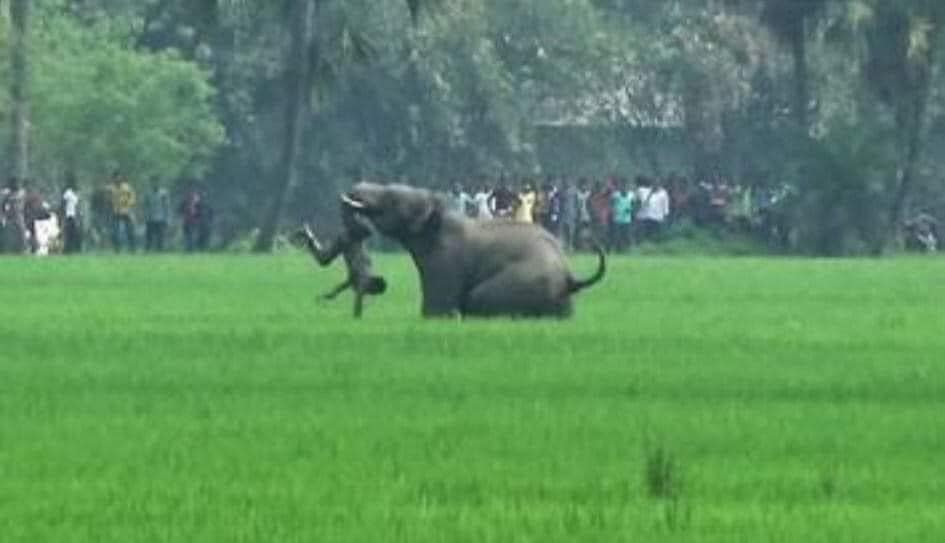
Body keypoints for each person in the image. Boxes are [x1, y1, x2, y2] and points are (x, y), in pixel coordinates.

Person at [290, 205, 387, 318]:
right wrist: (357, 319)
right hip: (348, 240)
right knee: (323, 260)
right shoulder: (364, 279)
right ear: (372, 285)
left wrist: (333, 294)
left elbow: (348, 282)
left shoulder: (364, 274)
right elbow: (358, 301)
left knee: (324, 260)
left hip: (350, 240)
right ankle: (308, 233)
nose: (369, 294)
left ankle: (307, 234)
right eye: (373, 292)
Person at [636, 175, 670, 242]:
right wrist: (650, 193)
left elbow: (665, 207)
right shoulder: (642, 191)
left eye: (657, 182)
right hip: (644, 218)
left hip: (657, 218)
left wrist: (665, 217)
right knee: (644, 237)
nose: (656, 184)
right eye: (654, 182)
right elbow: (642, 204)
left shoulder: (663, 193)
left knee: (655, 238)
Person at [110, 172, 136, 252]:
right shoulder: (111, 188)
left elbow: (132, 197)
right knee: (115, 231)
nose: (118, 179)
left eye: (119, 177)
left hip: (126, 211)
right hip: (116, 212)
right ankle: (117, 249)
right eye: (116, 178)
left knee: (130, 230)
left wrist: (128, 203)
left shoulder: (127, 187)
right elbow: (109, 199)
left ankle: (132, 248)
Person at [143, 179, 171, 252]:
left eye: (156, 182)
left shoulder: (163, 193)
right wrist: (145, 216)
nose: (155, 184)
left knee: (161, 236)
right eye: (153, 182)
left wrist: (167, 218)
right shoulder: (148, 193)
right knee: (149, 236)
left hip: (161, 218)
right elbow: (145, 205)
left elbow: (167, 206)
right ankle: (147, 250)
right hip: (150, 218)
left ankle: (160, 250)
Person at [610, 179, 635, 252]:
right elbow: (611, 204)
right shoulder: (615, 195)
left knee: (627, 235)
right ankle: (615, 249)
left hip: (627, 219)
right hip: (617, 219)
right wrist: (613, 211)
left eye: (625, 186)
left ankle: (628, 249)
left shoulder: (631, 195)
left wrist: (631, 209)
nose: (624, 188)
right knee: (616, 236)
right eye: (622, 186)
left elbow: (634, 205)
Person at [61, 178, 82, 254]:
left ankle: (73, 249)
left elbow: (77, 206)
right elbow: (63, 203)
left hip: (74, 216)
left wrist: (78, 216)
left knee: (74, 233)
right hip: (68, 215)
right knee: (68, 233)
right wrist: (63, 213)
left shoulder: (76, 194)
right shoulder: (68, 192)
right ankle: (67, 249)